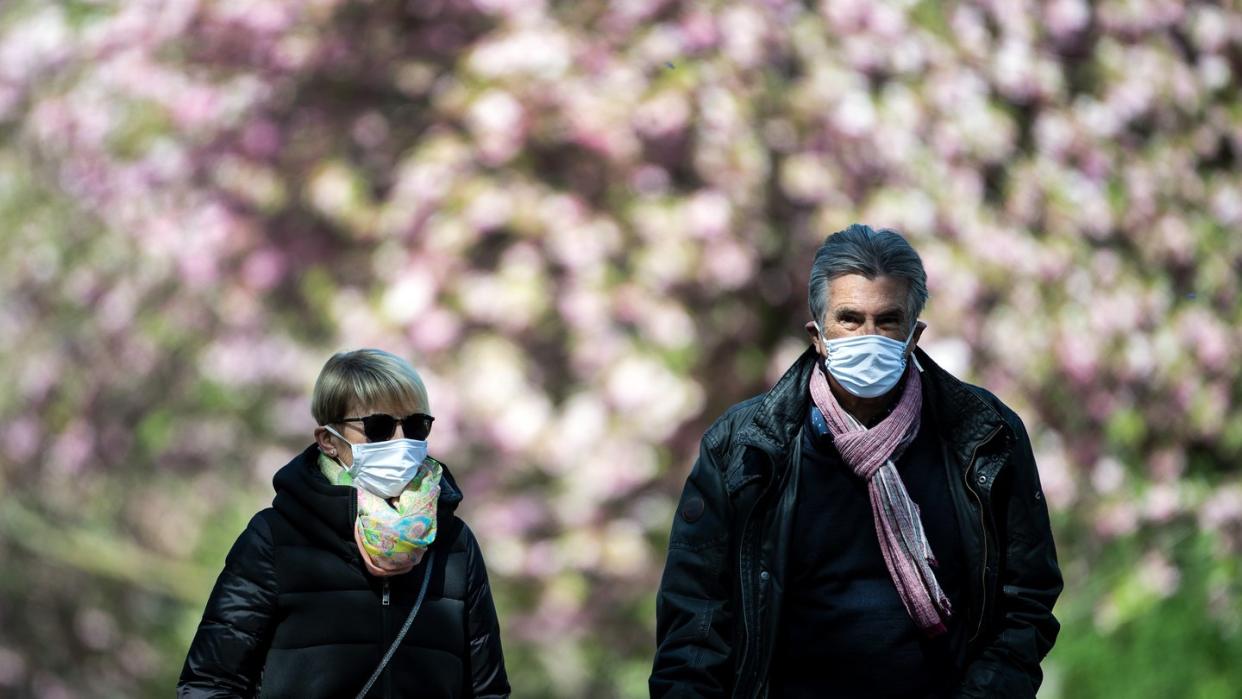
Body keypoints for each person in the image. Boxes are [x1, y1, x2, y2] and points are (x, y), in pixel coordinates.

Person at [650, 224, 1062, 698]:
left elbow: (1026, 601)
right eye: (849, 318)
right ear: (818, 335)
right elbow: (695, 623)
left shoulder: (983, 437)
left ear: (914, 335)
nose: (869, 336)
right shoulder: (744, 449)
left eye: (887, 320)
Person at [179, 349, 510, 698]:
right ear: (328, 440)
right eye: (379, 427)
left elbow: (488, 691)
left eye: (415, 426)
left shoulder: (454, 542)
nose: (401, 442)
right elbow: (209, 684)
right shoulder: (273, 538)